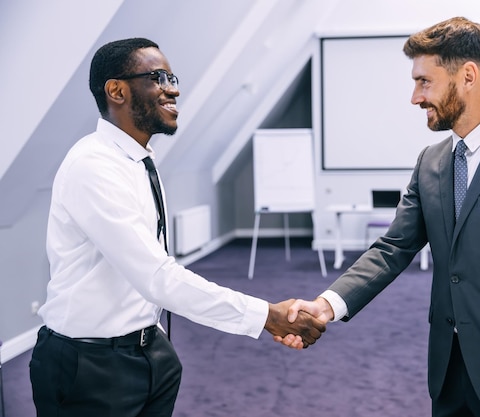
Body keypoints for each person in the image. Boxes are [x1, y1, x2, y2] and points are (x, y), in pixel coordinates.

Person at [278, 17, 480, 417]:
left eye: (424, 82)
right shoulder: (430, 162)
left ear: (468, 75)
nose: (415, 97)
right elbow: (392, 247)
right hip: (447, 374)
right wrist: (326, 305)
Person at [29, 37, 324, 417]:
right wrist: (266, 315)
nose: (174, 88)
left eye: (172, 76)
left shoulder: (139, 160)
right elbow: (157, 276)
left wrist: (155, 343)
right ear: (116, 90)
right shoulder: (93, 166)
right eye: (158, 77)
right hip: (91, 365)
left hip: (150, 352)